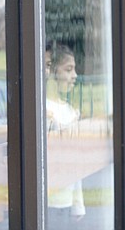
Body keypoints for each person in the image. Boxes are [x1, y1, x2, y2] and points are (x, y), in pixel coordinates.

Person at [46, 44, 85, 229]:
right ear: (52, 71)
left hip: (66, 201)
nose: (75, 75)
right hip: (47, 202)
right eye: (68, 69)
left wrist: (78, 203)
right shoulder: (43, 109)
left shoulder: (70, 111)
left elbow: (76, 160)